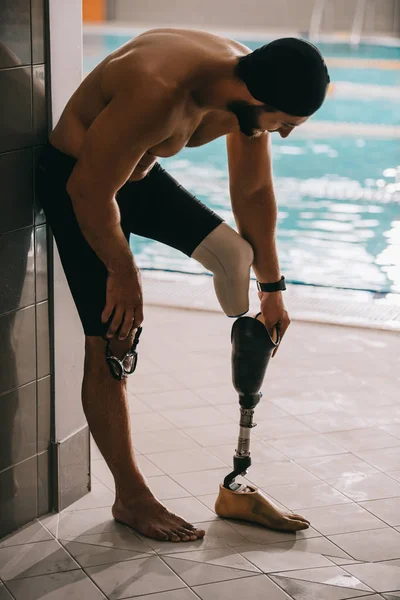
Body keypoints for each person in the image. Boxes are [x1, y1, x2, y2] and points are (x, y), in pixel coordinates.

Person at [36, 29, 330, 543]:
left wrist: (272, 288)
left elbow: (255, 190)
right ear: (259, 101)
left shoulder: (246, 83)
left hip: (134, 178)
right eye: (284, 124)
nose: (283, 135)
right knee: (113, 341)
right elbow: (88, 189)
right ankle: (131, 497)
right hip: (79, 181)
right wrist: (125, 274)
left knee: (238, 255)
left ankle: (238, 458)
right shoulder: (159, 91)